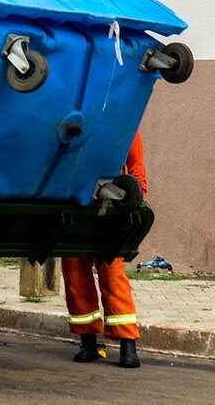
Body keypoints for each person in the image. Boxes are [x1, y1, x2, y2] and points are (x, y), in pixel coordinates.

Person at [61, 131, 148, 368]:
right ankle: (88, 342)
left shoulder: (126, 121)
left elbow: (136, 166)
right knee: (75, 274)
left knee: (112, 273)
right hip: (77, 206)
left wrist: (135, 199)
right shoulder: (78, 120)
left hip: (110, 211)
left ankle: (127, 345)